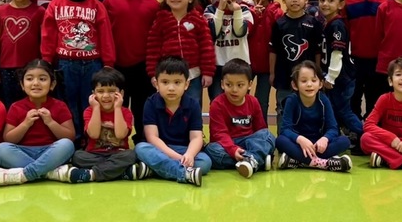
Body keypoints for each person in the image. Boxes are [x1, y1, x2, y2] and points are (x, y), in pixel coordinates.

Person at [41, 0, 115, 142]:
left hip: (93, 64)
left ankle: (90, 140)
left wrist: (108, 63)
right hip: (65, 64)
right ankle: (72, 139)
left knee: (91, 102)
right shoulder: (56, 5)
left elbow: (106, 35)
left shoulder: (97, 6)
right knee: (68, 103)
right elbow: (48, 34)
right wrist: (46, 61)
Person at [103, 0, 160, 144]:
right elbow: (104, 33)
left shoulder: (153, 5)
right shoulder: (110, 1)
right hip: (116, 66)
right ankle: (116, 143)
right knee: (116, 107)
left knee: (142, 108)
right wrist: (107, 62)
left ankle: (144, 143)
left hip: (143, 67)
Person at [0, 60, 76, 186]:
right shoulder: (16, 107)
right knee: (0, 149)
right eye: (30, 79)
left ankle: (27, 173)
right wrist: (25, 124)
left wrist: (50, 122)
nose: (36, 83)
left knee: (67, 145)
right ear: (22, 85)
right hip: (24, 152)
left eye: (42, 79)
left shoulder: (60, 106)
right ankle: (48, 172)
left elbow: (70, 137)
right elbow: (8, 139)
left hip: (50, 151)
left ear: (52, 84)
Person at [135, 56, 212, 187]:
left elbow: (196, 137)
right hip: (160, 149)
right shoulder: (151, 103)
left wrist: (189, 155)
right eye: (165, 82)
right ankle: (184, 174)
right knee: (141, 148)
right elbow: (152, 138)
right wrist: (177, 158)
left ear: (186, 84)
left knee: (205, 162)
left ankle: (155, 169)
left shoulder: (193, 104)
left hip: (184, 149)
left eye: (177, 82)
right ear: (156, 84)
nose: (171, 88)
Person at [67, 67, 147, 183]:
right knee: (78, 156)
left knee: (131, 155)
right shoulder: (89, 111)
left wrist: (118, 107)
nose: (106, 96)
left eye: (111, 91)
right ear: (93, 94)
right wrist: (96, 108)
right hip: (94, 154)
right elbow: (93, 135)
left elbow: (120, 135)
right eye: (100, 91)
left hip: (118, 153)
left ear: (121, 93)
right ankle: (120, 171)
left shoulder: (125, 112)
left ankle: (92, 174)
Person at [146, 0, 215, 107]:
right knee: (170, 108)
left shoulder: (198, 19)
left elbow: (207, 47)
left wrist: (208, 72)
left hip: (193, 75)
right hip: (168, 75)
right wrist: (153, 73)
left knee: (193, 106)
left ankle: (193, 128)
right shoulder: (161, 20)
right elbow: (152, 48)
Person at [275, 61, 353, 172]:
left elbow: (333, 128)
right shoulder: (292, 100)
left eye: (314, 80)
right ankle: (324, 163)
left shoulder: (324, 100)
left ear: (320, 84)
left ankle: (299, 161)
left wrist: (325, 139)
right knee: (280, 141)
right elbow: (285, 129)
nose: (309, 84)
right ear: (295, 85)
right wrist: (300, 139)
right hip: (299, 145)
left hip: (318, 144)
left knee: (345, 141)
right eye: (304, 81)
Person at [205, 59, 275, 178]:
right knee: (211, 150)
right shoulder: (217, 104)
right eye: (229, 85)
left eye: (240, 85)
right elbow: (219, 133)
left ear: (249, 85)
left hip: (250, 142)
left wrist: (258, 143)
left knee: (267, 135)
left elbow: (260, 129)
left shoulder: (253, 102)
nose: (234, 89)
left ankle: (251, 160)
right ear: (222, 84)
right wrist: (233, 149)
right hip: (227, 144)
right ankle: (256, 160)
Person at [269, 0, 323, 117]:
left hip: (308, 77)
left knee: (308, 109)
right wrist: (272, 73)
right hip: (284, 76)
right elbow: (273, 50)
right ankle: (283, 137)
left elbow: (317, 51)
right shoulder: (279, 24)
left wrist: (317, 73)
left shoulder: (313, 23)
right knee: (283, 108)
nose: (294, 0)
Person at [318, 0, 363, 142]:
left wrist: (331, 77)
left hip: (341, 78)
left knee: (343, 110)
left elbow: (337, 54)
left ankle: (365, 135)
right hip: (334, 77)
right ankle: (335, 137)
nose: (325, 4)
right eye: (322, 0)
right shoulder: (327, 23)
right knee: (334, 109)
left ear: (340, 4)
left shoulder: (337, 25)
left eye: (331, 0)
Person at [344, 0, 386, 118]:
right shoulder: (344, 1)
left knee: (374, 99)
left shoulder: (383, 2)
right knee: (352, 97)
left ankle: (372, 132)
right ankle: (354, 133)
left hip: (377, 61)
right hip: (353, 60)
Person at [205, 0, 253, 101]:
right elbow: (213, 32)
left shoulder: (245, 10)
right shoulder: (209, 10)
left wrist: (236, 12)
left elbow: (240, 32)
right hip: (217, 65)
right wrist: (220, 10)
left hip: (240, 64)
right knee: (217, 101)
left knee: (239, 101)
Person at [242, 0, 281, 124]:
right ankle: (242, 130)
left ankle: (261, 132)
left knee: (261, 102)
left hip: (267, 67)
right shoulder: (243, 10)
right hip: (246, 64)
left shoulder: (277, 12)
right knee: (242, 99)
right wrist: (253, 14)